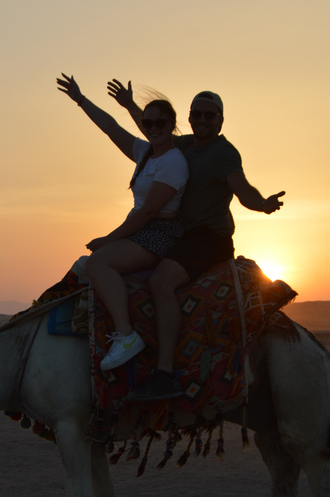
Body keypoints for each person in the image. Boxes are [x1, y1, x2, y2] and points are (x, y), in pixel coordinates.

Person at [106, 79, 286, 401]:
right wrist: (130, 107)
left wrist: (262, 204)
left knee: (161, 282)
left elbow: (242, 188)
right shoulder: (185, 146)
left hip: (208, 239)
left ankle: (165, 374)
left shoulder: (224, 153)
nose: (202, 120)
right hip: (178, 235)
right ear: (189, 118)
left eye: (210, 116)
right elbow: (155, 130)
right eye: (197, 115)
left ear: (220, 121)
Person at [56, 73, 189, 371]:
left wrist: (108, 239)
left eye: (161, 124)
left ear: (172, 126)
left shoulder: (173, 162)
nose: (153, 128)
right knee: (83, 266)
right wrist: (81, 100)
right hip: (143, 227)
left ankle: (127, 336)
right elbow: (110, 127)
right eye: (148, 123)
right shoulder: (146, 154)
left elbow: (146, 213)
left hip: (160, 231)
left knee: (98, 264)